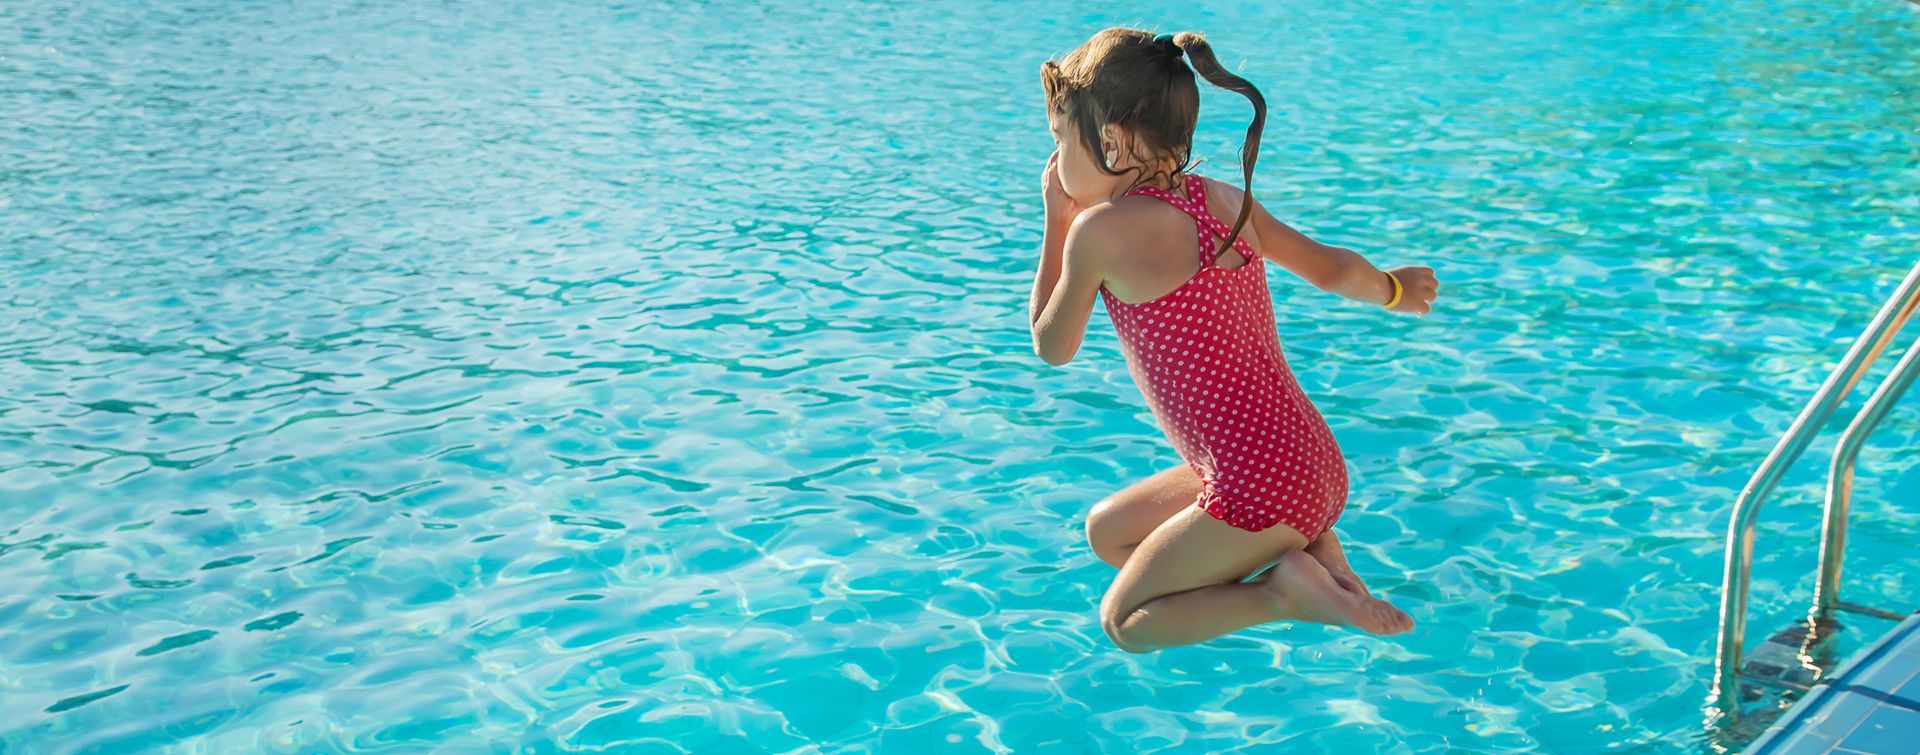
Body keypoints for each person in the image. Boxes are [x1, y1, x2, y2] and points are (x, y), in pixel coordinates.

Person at [1028, 28, 1439, 653]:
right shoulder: (1223, 200)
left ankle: (1281, 592)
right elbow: (1331, 269)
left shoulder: (1098, 232)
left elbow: (1050, 345)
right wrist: (1393, 289)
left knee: (1126, 623)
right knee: (1108, 532)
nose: (1054, 161)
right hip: (1317, 466)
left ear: (1111, 137)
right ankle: (1313, 548)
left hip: (1257, 485)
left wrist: (1057, 222)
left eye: (1060, 139)